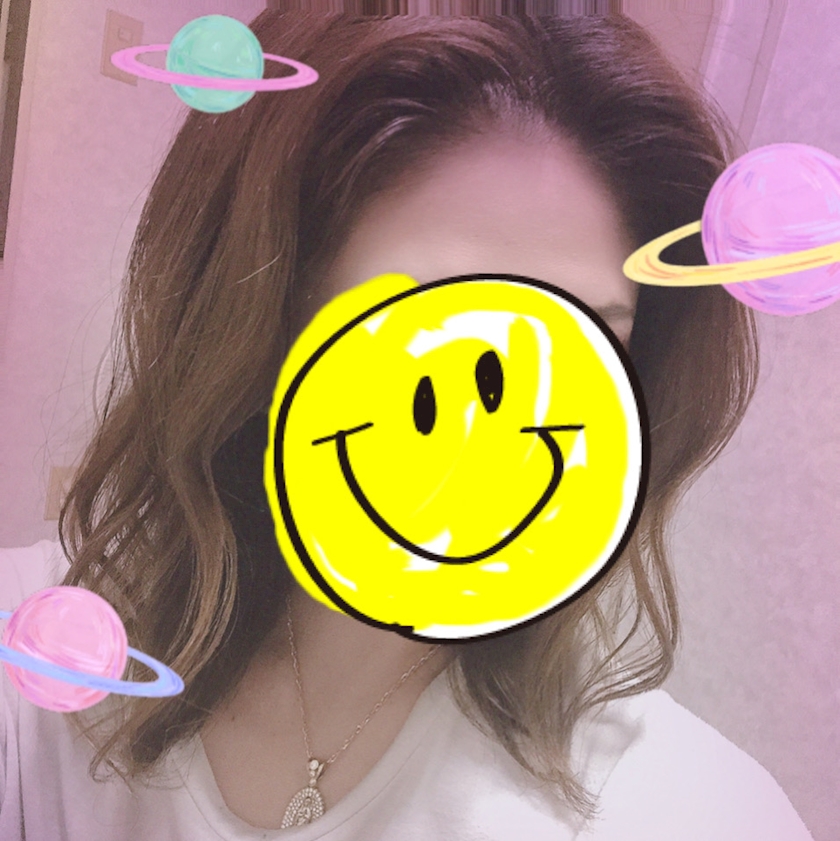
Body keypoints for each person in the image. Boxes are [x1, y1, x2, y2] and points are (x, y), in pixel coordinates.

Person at [0, 11, 815, 840]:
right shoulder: (40, 663)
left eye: (585, 341)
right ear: (251, 329)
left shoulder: (683, 808)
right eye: (426, 330)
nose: (498, 431)